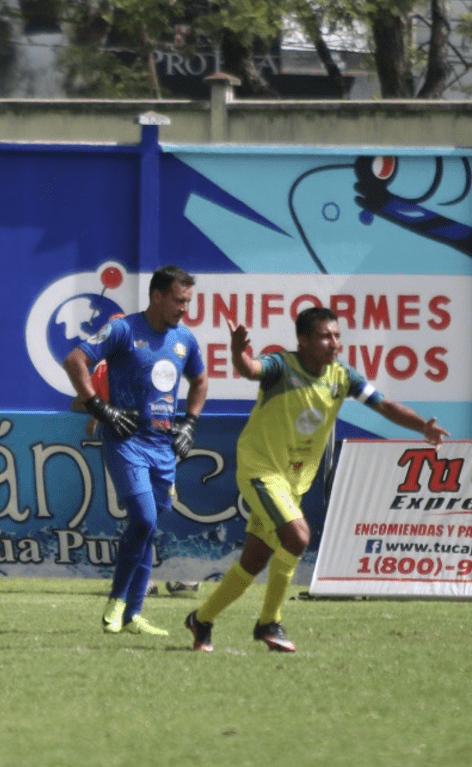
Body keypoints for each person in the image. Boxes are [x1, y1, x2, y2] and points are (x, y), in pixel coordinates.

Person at [185, 308, 450, 653]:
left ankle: (201, 619)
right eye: (326, 336)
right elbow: (250, 369)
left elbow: (384, 406)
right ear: (304, 341)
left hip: (292, 481)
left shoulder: (343, 376)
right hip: (260, 470)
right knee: (298, 536)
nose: (334, 343)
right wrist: (238, 352)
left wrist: (422, 428)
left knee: (254, 559)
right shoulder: (282, 366)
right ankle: (269, 621)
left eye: (337, 335)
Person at [63, 265, 207, 636]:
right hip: (126, 439)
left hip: (163, 447)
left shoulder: (185, 340)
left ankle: (132, 614)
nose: (184, 308)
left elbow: (200, 381)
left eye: (188, 301)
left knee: (148, 528)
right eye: (178, 300)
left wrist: (189, 422)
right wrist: (101, 408)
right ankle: (117, 599)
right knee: (143, 519)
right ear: (156, 297)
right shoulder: (123, 329)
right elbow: (75, 360)